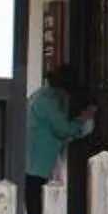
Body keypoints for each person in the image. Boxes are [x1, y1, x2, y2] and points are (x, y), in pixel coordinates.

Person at [25, 64, 96, 193]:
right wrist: (83, 120)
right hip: (38, 164)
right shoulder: (50, 100)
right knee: (38, 203)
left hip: (31, 161)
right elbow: (64, 130)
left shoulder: (39, 95)